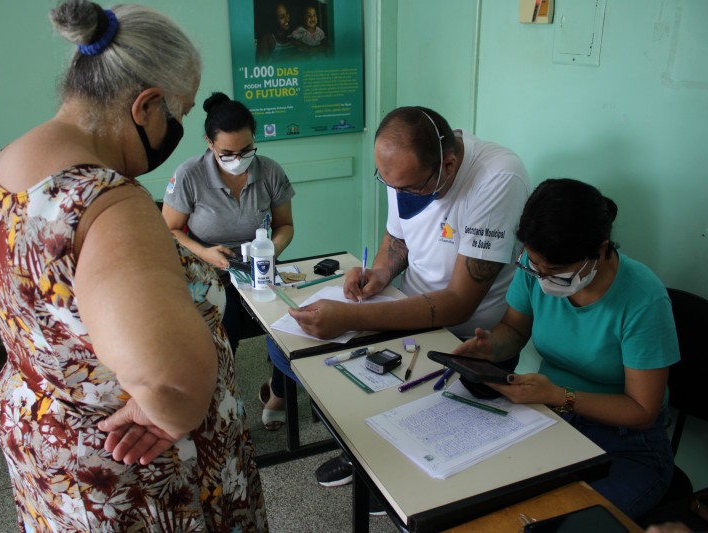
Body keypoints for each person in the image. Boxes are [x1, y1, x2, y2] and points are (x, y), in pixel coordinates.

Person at [0, 2, 267, 530]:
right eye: (180, 112)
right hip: (133, 470)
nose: (178, 126)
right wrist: (170, 409)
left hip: (48, 441)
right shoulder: (109, 205)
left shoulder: (9, 163)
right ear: (146, 105)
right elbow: (171, 378)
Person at [289, 106, 531, 491]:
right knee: (371, 395)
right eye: (390, 184)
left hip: (472, 339)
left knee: (444, 441)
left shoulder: (499, 177)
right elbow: (398, 238)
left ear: (448, 165)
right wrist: (381, 272)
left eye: (408, 188)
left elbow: (458, 301)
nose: (398, 193)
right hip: (413, 312)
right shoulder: (405, 170)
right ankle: (368, 462)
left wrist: (354, 318)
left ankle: (407, 489)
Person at [452, 178, 680, 519]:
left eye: (556, 272)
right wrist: (490, 347)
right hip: (550, 417)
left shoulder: (643, 299)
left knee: (554, 521)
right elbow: (514, 330)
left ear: (600, 249)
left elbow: (642, 410)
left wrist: (561, 395)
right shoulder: (535, 265)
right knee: (475, 495)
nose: (542, 278)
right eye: (534, 266)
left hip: (627, 444)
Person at [161, 91, 296, 431]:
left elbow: (285, 225)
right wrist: (207, 253)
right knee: (225, 333)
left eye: (247, 150)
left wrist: (269, 251)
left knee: (287, 327)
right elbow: (170, 230)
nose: (239, 158)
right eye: (228, 153)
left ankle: (278, 393)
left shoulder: (270, 172)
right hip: (210, 270)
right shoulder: (190, 175)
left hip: (258, 266)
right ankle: (226, 407)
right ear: (209, 143)